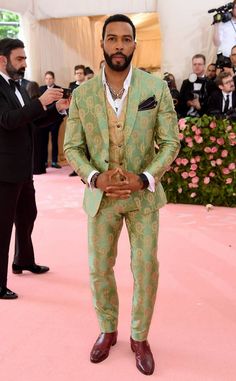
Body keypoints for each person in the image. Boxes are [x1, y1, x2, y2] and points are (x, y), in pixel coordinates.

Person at [64, 14, 180, 375]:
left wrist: (144, 178)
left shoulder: (154, 87)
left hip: (142, 197)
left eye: (125, 39)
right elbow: (72, 147)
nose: (118, 45)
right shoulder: (82, 94)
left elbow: (171, 142)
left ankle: (139, 337)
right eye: (111, 38)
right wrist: (94, 178)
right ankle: (107, 329)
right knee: (100, 268)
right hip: (101, 199)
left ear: (134, 44)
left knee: (145, 268)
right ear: (101, 44)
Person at [0, 38, 69, 299]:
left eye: (25, 58)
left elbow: (30, 123)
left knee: (28, 214)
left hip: (21, 168)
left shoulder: (18, 86)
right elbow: (8, 121)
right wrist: (40, 102)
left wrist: (57, 110)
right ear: (2, 60)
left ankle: (23, 260)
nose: (25, 63)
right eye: (20, 59)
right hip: (4, 170)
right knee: (3, 227)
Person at [39, 71, 64, 169]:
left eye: (50, 78)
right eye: (46, 78)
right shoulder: (41, 89)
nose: (48, 80)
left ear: (53, 79)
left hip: (55, 121)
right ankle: (44, 161)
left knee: (55, 140)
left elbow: (62, 104)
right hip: (43, 120)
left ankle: (54, 161)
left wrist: (60, 118)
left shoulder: (59, 89)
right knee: (44, 141)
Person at [68, 65, 86, 176]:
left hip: (88, 117)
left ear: (84, 75)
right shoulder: (71, 86)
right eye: (77, 73)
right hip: (75, 117)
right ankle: (76, 168)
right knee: (75, 143)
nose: (78, 75)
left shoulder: (89, 85)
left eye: (80, 73)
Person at [26, 81, 47, 174]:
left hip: (33, 127)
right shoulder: (40, 99)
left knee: (34, 150)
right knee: (42, 148)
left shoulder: (28, 101)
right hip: (42, 127)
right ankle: (42, 168)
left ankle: (35, 169)